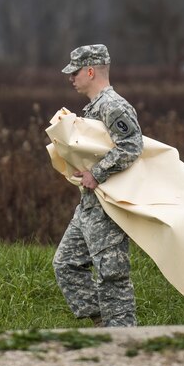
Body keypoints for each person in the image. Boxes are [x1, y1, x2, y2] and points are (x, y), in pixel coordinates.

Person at [52, 44, 142, 327]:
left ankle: (124, 338)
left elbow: (131, 144)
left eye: (75, 72)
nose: (71, 78)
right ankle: (104, 323)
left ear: (90, 71)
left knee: (111, 275)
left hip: (109, 206)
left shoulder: (112, 106)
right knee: (66, 264)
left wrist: (97, 173)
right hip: (90, 206)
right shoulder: (94, 107)